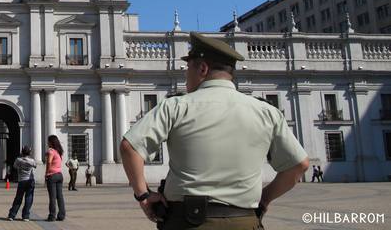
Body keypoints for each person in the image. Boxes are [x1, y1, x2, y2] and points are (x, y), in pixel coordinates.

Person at [120, 32, 309, 230]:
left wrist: (143, 195)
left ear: (202, 68)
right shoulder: (267, 112)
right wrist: (264, 199)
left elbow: (129, 147)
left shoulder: (175, 106)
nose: (185, 76)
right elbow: (300, 164)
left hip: (186, 223)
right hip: (245, 221)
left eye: (187, 69)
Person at [7, 146, 37, 221]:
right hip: (30, 181)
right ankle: (26, 216)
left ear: (22, 152)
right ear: (29, 153)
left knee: (18, 198)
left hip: (21, 181)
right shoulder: (32, 161)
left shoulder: (18, 160)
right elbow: (35, 165)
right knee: (29, 198)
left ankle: (12, 215)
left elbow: (14, 166)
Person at [44, 135, 66, 222]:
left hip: (52, 175)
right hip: (59, 175)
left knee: (52, 197)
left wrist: (46, 173)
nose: (47, 143)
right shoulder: (58, 151)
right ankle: (61, 215)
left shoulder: (51, 151)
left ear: (51, 142)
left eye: (48, 141)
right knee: (60, 196)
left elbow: (49, 162)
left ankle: (52, 216)